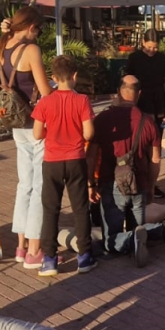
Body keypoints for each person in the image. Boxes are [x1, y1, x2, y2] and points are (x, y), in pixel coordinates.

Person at [0, 7, 51, 268]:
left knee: (24, 184)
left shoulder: (1, 46)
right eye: (38, 29)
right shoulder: (31, 51)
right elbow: (45, 93)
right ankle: (34, 250)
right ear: (30, 27)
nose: (39, 35)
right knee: (39, 186)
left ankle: (20, 247)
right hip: (36, 123)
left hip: (15, 122)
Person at [87, 75, 161, 267]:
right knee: (138, 229)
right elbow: (155, 159)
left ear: (119, 92)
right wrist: (151, 186)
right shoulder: (148, 122)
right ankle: (156, 233)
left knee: (110, 240)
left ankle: (131, 241)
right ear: (139, 94)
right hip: (140, 184)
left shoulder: (103, 119)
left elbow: (91, 156)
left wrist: (91, 183)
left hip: (111, 184)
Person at [31, 55, 95, 277]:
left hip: (52, 161)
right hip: (76, 158)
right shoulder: (82, 101)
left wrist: (53, 133)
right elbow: (89, 133)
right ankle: (85, 257)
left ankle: (49, 259)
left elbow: (37, 133)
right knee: (80, 209)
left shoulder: (45, 101)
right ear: (75, 76)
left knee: (50, 210)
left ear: (53, 78)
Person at [126, 30, 165, 196]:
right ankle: (140, 182)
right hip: (140, 102)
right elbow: (127, 84)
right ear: (142, 43)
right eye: (148, 48)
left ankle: (152, 186)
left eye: (155, 48)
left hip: (159, 103)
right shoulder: (134, 58)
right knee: (139, 145)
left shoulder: (162, 59)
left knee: (156, 147)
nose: (152, 51)